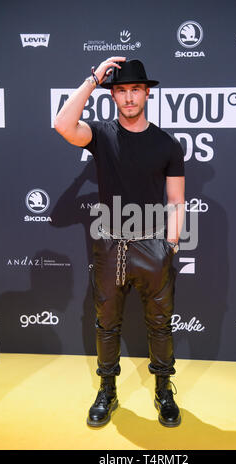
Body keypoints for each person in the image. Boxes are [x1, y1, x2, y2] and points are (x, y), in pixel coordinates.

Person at [54, 57, 185, 428]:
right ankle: (107, 390)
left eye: (135, 90)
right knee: (106, 323)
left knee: (160, 324)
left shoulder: (167, 145)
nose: (129, 98)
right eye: (122, 90)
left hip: (153, 246)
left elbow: (176, 201)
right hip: (110, 244)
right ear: (113, 95)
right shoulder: (101, 134)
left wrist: (170, 246)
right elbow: (62, 124)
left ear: (147, 93)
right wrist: (94, 78)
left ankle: (163, 389)